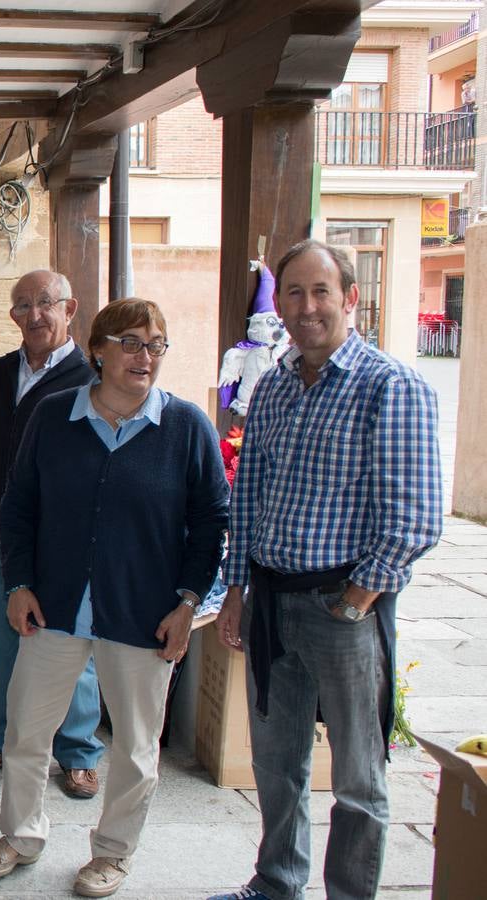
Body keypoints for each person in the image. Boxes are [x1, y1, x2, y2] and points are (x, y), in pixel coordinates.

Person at [209, 240, 442, 900]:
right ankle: (277, 883)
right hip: (272, 604)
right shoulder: (277, 385)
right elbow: (248, 492)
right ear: (278, 303)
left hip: (345, 608)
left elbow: (416, 517)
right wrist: (237, 590)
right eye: (293, 293)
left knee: (359, 778)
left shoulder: (389, 386)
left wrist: (358, 599)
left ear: (349, 299)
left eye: (320, 292)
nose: (306, 307)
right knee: (277, 762)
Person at [0, 298, 228, 898]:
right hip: (53, 608)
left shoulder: (186, 426)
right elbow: (19, 505)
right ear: (100, 350)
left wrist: (189, 603)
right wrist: (18, 584)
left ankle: (113, 852)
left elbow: (212, 518)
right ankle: (20, 836)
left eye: (156, 345)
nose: (146, 356)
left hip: (144, 613)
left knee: (137, 747)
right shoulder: (55, 416)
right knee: (26, 734)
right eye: (133, 343)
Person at [0, 270, 104, 796]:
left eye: (45, 303)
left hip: (63, 535)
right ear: (11, 315)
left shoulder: (92, 380)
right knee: (0, 637)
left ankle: (77, 750)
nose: (34, 315)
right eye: (22, 305)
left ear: (69, 309)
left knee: (69, 640)